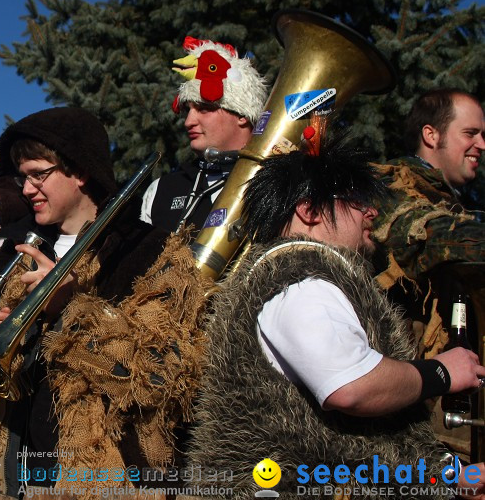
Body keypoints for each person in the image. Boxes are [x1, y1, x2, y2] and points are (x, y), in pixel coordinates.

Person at [0, 107, 207, 499]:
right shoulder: (5, 256)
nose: (27, 189)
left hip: (102, 481)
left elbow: (159, 379)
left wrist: (70, 308)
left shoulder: (150, 252)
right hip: (5, 480)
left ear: (80, 171)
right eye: (22, 177)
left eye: (40, 174)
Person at [186, 136, 485, 499]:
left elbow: (357, 443)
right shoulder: (301, 281)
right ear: (309, 210)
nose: (372, 212)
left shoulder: (300, 276)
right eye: (357, 200)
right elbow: (352, 387)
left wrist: (452, 477)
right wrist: (441, 373)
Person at [371, 89, 485, 458]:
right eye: (470, 134)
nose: (481, 144)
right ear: (431, 134)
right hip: (400, 417)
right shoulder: (391, 184)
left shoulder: (454, 203)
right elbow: (427, 238)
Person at [141, 36, 267, 233]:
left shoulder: (278, 179)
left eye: (204, 109)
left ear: (242, 115)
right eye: (188, 110)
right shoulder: (161, 191)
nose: (189, 121)